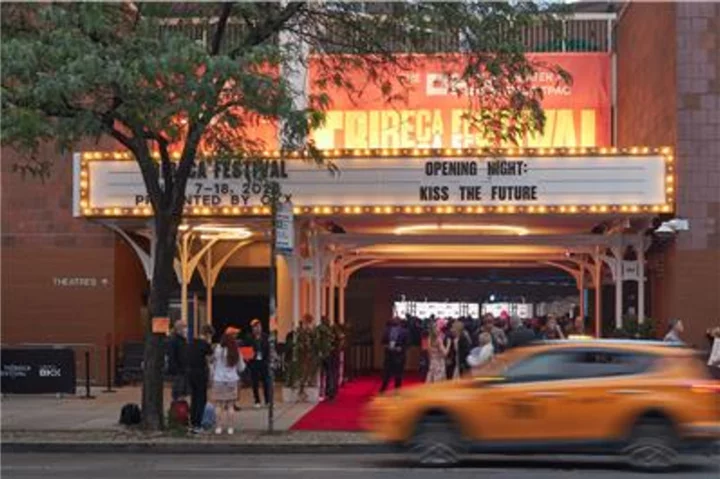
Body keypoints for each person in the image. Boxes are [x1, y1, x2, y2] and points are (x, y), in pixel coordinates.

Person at [211, 329, 244, 435]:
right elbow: (241, 367)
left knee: (218, 405)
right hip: (232, 380)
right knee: (230, 405)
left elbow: (214, 363)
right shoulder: (235, 350)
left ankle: (219, 427)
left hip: (219, 379)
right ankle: (230, 428)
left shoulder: (218, 349)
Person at [186, 324, 214, 434]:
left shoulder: (192, 342)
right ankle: (198, 424)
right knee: (201, 399)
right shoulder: (205, 345)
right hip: (201, 373)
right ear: (208, 334)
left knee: (194, 398)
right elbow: (210, 360)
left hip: (191, 373)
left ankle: (192, 423)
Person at [380, 317, 408, 393]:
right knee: (386, 375)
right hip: (389, 355)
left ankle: (397, 391)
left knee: (398, 376)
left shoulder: (404, 332)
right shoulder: (387, 330)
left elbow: (407, 344)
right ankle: (382, 391)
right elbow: (383, 342)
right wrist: (387, 346)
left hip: (399, 357)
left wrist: (401, 348)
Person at [248, 319, 271, 408]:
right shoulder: (249, 337)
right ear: (253, 328)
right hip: (254, 363)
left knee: (266, 382)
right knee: (255, 383)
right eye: (255, 327)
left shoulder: (265, 337)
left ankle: (267, 400)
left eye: (259, 326)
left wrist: (268, 360)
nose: (257, 328)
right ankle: (257, 400)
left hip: (264, 362)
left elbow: (268, 349)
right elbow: (246, 349)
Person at [167, 320, 188, 402]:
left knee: (182, 392)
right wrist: (176, 369)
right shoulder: (174, 340)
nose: (186, 329)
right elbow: (172, 355)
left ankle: (180, 407)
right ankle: (177, 408)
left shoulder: (182, 340)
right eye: (184, 327)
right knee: (178, 391)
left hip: (183, 370)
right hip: (178, 370)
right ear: (179, 328)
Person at [426, 319, 450, 383]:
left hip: (432, 363)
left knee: (431, 381)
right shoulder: (438, 340)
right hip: (439, 364)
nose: (439, 328)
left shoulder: (429, 339)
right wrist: (448, 344)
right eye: (438, 327)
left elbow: (429, 354)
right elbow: (445, 353)